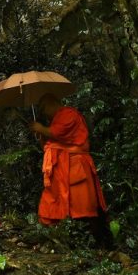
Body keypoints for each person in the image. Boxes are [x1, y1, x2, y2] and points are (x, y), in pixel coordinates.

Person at [28, 94, 112, 247]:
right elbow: (53, 145)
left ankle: (95, 243)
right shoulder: (56, 119)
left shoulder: (69, 114)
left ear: (52, 103)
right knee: (57, 203)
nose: (44, 113)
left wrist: (41, 128)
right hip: (61, 170)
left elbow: (59, 133)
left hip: (75, 167)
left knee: (82, 205)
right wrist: (41, 135)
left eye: (44, 108)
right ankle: (68, 240)